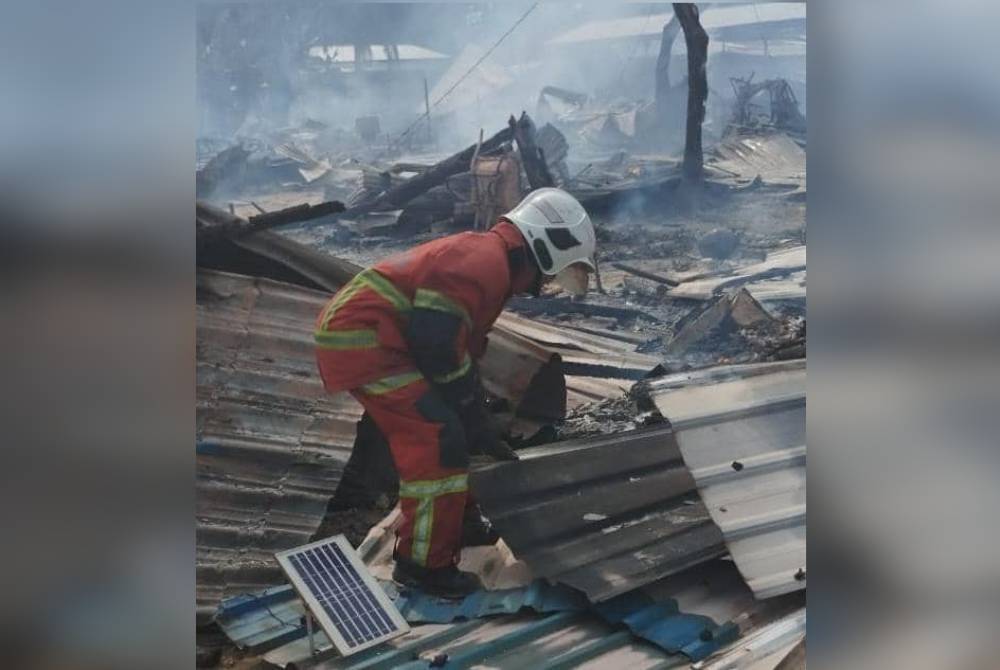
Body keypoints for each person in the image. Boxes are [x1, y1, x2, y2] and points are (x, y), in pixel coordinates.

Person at [314, 188, 597, 598]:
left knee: (453, 427)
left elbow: (455, 349)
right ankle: (422, 566)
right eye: (553, 273)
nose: (549, 283)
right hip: (366, 344)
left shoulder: (489, 262)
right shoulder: (482, 265)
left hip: (388, 342)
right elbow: (436, 343)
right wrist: (471, 413)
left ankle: (457, 525)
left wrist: (474, 413)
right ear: (545, 247)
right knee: (436, 437)